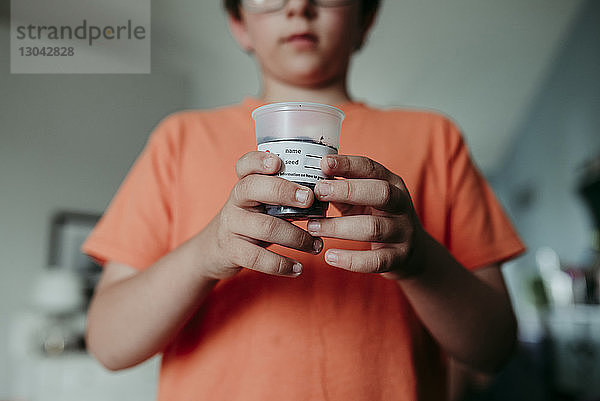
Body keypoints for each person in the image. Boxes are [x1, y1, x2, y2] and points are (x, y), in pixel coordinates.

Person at [82, 0, 526, 400]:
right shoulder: (178, 141)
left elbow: (494, 347)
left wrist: (419, 262)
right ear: (240, 24)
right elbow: (109, 343)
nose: (298, 6)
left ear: (366, 18)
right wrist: (207, 251)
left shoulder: (435, 140)